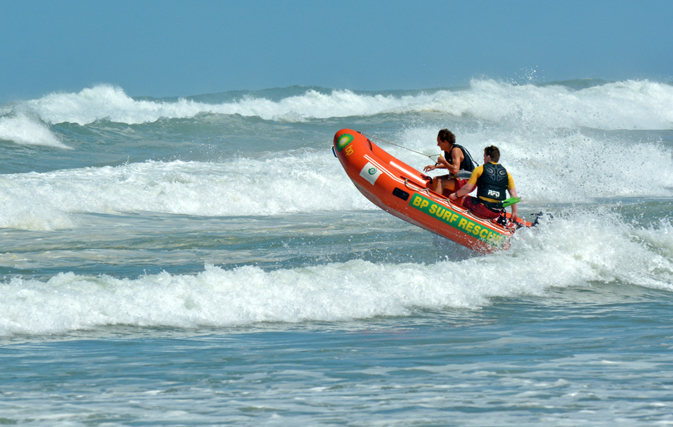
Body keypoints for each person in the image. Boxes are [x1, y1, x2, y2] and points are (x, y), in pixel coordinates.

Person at [449, 145, 518, 224]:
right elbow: (513, 195)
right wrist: (514, 213)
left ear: (488, 157)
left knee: (460, 199)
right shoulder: (507, 174)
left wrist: (455, 195)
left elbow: (467, 188)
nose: (483, 159)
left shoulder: (479, 169)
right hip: (497, 212)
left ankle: (458, 224)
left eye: (484, 157)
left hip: (482, 208)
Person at [423, 129, 476, 196]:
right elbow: (451, 165)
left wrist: (443, 161)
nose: (438, 144)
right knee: (436, 179)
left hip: (469, 183)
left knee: (441, 181)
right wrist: (435, 167)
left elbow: (455, 170)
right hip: (461, 179)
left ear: (445, 142)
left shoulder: (455, 151)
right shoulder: (447, 150)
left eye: (439, 142)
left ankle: (434, 203)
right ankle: (441, 198)